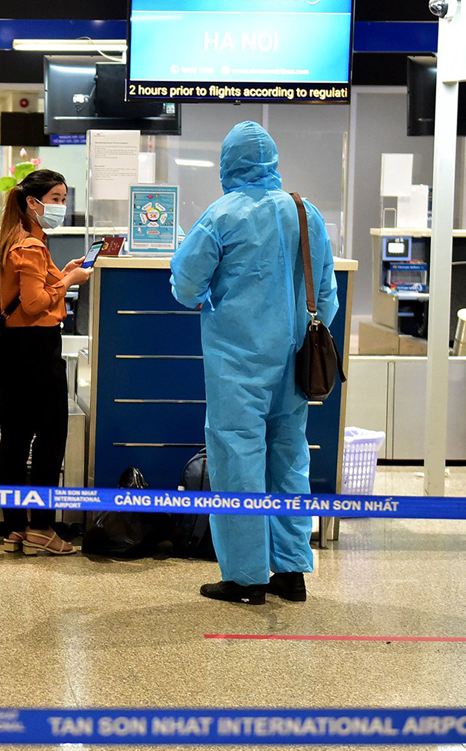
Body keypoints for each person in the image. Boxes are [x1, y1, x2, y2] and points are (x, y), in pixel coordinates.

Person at [170, 121, 338, 606]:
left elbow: (185, 286)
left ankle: (246, 579)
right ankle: (292, 572)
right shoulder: (306, 213)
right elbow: (325, 297)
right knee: (290, 460)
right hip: (296, 367)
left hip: (237, 367)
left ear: (228, 165)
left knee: (237, 464)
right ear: (273, 162)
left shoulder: (222, 216)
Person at [0, 169, 92, 556]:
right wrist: (69, 283)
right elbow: (34, 304)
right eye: (56, 198)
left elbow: (30, 290)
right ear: (33, 203)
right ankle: (43, 528)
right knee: (50, 437)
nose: (61, 206)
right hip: (35, 350)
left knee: (15, 439)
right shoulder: (30, 246)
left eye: (65, 199)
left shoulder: (16, 240)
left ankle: (15, 527)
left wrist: (63, 274)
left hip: (13, 349)